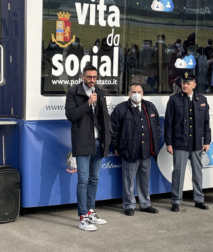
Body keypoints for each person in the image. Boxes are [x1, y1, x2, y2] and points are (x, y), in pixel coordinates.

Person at [65, 65, 112, 231]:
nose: (92, 80)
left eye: (94, 77)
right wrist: (87, 103)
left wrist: (107, 137)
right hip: (83, 141)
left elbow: (104, 117)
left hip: (98, 141)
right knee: (83, 179)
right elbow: (71, 115)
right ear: (82, 77)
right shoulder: (73, 92)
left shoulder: (99, 91)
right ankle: (83, 217)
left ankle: (91, 211)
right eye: (89, 77)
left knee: (94, 179)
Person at [111, 83, 161, 216]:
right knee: (128, 180)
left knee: (144, 179)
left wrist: (154, 144)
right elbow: (113, 130)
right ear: (129, 94)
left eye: (139, 91)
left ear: (143, 93)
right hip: (129, 151)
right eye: (133, 91)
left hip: (146, 151)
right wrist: (117, 146)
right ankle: (129, 205)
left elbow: (156, 127)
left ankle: (145, 204)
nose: (136, 94)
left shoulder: (149, 107)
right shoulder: (121, 109)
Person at [164, 72, 211, 212]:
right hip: (180, 143)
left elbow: (206, 123)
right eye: (183, 83)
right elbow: (168, 123)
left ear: (194, 85)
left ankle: (199, 199)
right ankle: (176, 200)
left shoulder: (202, 99)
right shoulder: (174, 100)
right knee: (178, 173)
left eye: (188, 83)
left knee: (197, 172)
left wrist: (207, 141)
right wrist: (169, 143)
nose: (185, 85)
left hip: (196, 143)